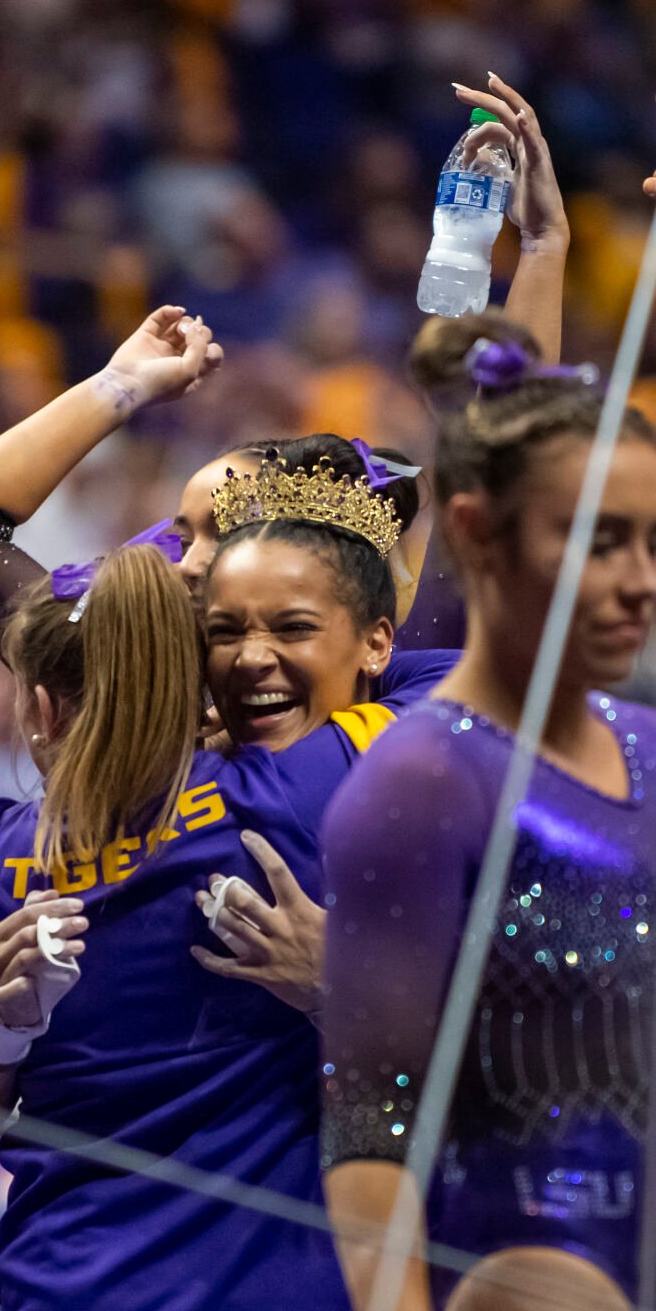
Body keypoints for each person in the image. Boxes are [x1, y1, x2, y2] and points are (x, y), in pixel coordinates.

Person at [0, 307, 465, 1309]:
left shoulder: (353, 746)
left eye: (219, 531)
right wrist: (120, 387)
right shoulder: (140, 694)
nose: (188, 556)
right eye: (179, 530)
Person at [319, 345, 656, 1311]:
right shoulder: (423, 780)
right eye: (597, 541)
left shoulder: (644, 743)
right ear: (476, 534)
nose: (638, 581)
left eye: (649, 541)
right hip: (530, 1264)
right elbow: (369, 1119)